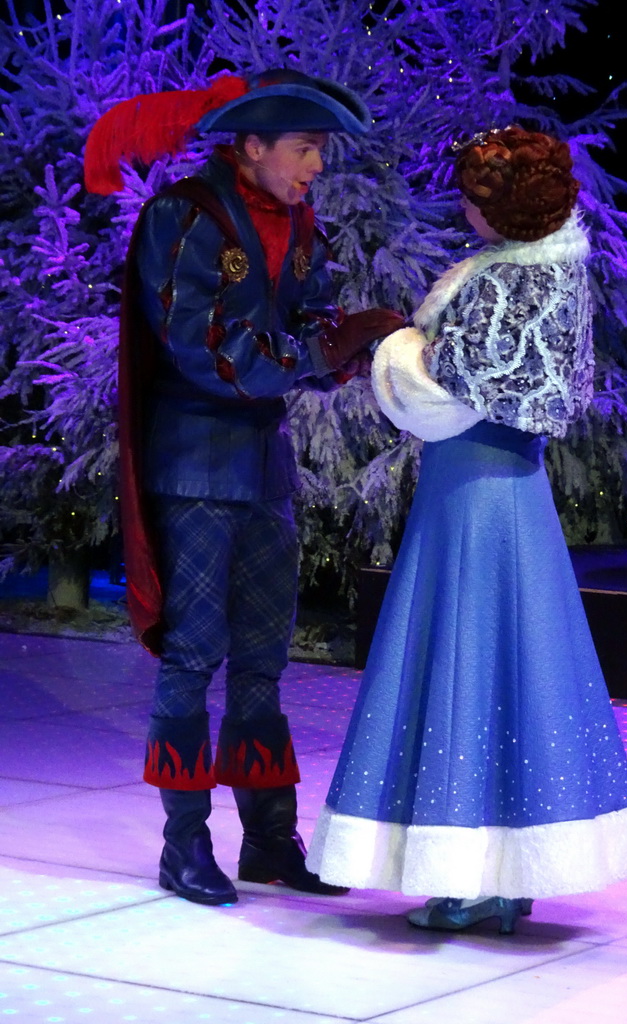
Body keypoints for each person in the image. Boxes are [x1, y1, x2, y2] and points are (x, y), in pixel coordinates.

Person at [307, 126, 627, 933]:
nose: (464, 209)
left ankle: (466, 875)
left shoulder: (501, 285)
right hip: (512, 490)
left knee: (467, 659)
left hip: (473, 489)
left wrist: (394, 344)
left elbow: (444, 390)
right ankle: (506, 873)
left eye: (474, 198)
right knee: (518, 664)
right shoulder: (560, 273)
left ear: (501, 210)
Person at [85, 69, 402, 905]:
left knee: (262, 662)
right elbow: (205, 349)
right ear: (252, 145)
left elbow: (306, 323)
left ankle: (268, 841)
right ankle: (183, 845)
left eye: (320, 153)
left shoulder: (299, 225)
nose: (314, 169)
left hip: (264, 470)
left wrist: (344, 344)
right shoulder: (181, 218)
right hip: (195, 467)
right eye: (304, 150)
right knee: (192, 657)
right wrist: (315, 354)